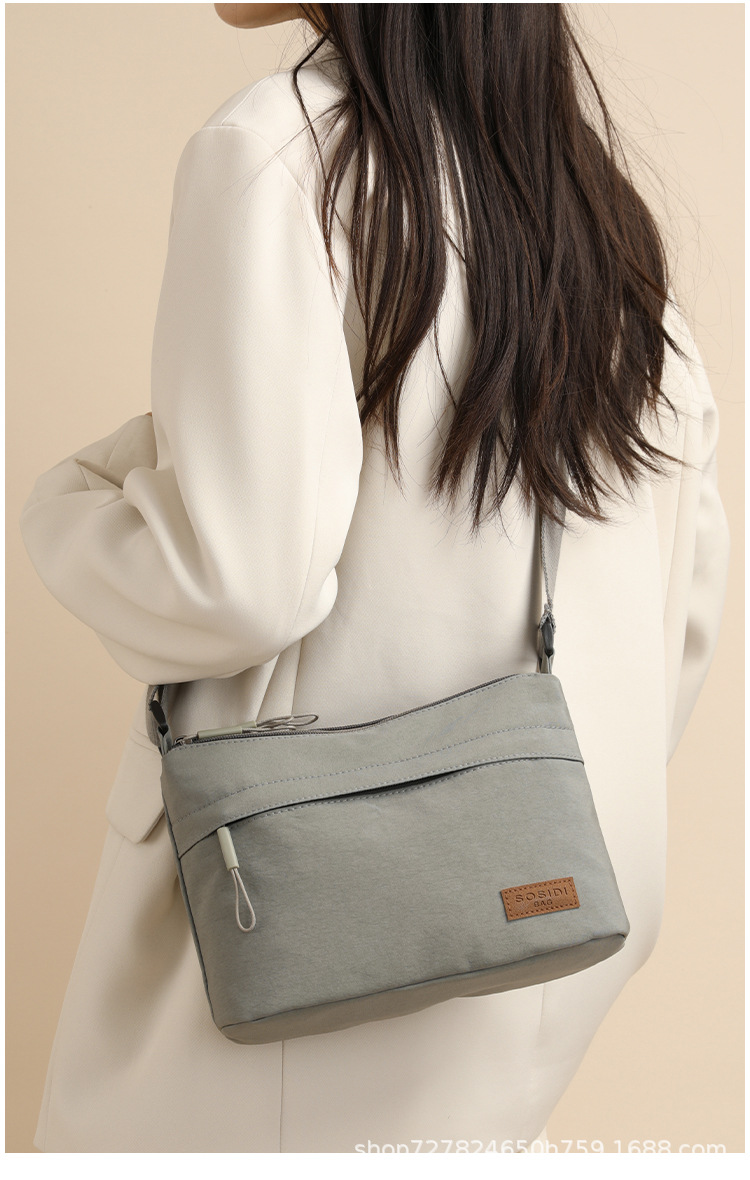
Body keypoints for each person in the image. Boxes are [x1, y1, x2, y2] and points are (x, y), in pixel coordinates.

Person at [19, 3, 730, 1154]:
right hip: (534, 936)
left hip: (303, 952)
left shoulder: (281, 158)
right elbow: (675, 623)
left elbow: (236, 582)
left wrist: (70, 506)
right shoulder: (601, 224)